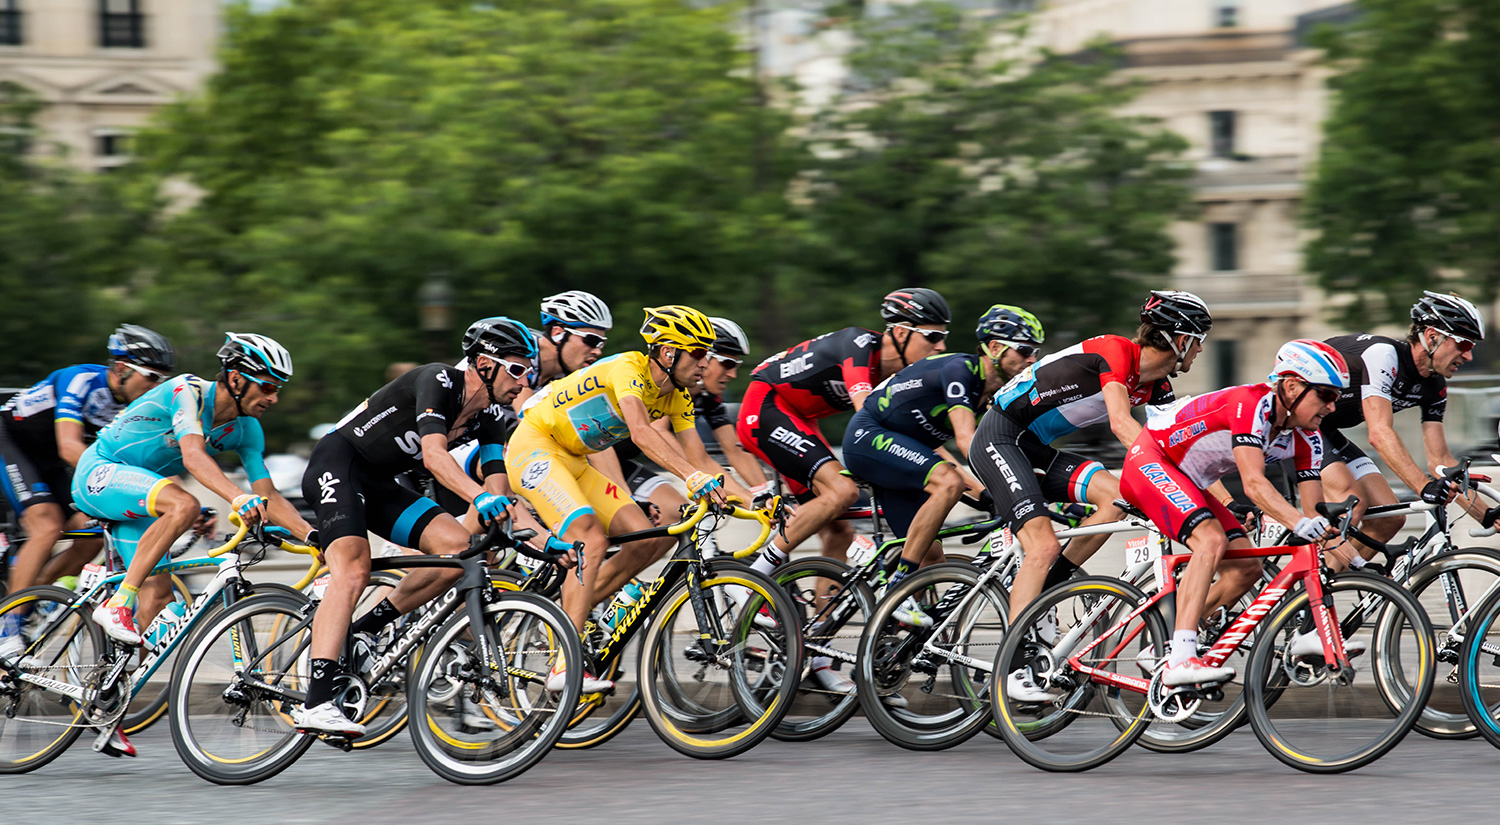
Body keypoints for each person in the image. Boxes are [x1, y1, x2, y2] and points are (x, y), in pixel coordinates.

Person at [293, 317, 541, 736]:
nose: (524, 381)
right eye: (516, 369)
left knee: (459, 549)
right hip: (338, 465)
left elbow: (500, 486)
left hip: (379, 484)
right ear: (484, 364)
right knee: (353, 569)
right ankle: (316, 703)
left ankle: (365, 630)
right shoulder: (439, 381)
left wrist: (543, 539)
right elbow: (434, 456)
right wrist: (480, 497)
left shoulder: (491, 416)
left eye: (529, 372)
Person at [66, 332, 311, 756]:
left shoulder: (247, 430)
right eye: (268, 386)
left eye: (278, 390)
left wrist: (313, 537)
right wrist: (237, 498)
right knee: (184, 504)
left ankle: (108, 703)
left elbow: (268, 493)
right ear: (237, 379)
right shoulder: (188, 392)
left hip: (143, 498)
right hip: (101, 472)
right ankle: (117, 602)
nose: (273, 398)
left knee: (160, 600)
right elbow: (194, 457)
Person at [969, 290, 1212, 701]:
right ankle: (1010, 668)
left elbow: (1179, 445)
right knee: (1043, 545)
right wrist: (1164, 479)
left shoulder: (1157, 386)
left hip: (1033, 448)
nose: (1201, 350)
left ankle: (1046, 588)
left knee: (1117, 498)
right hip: (1000, 437)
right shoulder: (1116, 351)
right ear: (1182, 339)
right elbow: (1121, 424)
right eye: (1199, 341)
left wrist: (1217, 496)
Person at [506, 306, 732, 691]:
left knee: (647, 537)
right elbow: (641, 433)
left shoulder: (677, 397)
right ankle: (564, 665)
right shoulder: (629, 368)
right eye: (698, 353)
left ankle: (569, 613)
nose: (705, 364)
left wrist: (754, 503)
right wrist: (693, 479)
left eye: (708, 355)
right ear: (667, 353)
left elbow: (700, 460)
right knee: (591, 539)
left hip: (574, 459)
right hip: (534, 447)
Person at [1118, 340, 1348, 687]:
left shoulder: (1307, 436)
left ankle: (1161, 647)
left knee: (1246, 570)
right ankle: (1180, 658)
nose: (1332, 406)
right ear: (1291, 387)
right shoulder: (1251, 404)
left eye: (1337, 397)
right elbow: (1254, 484)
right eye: (1326, 395)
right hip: (1151, 460)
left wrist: (1344, 550)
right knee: (1210, 541)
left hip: (1190, 480)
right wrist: (1299, 522)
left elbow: (1315, 512)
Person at [736, 289, 950, 578]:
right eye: (933, 337)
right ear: (901, 332)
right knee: (843, 491)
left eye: (943, 337)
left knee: (839, 532)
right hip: (765, 407)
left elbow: (920, 434)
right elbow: (869, 417)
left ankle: (823, 609)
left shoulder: (897, 376)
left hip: (802, 419)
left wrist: (966, 482)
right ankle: (753, 578)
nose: (941, 347)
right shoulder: (858, 346)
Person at [843, 304, 1043, 593]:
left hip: (904, 455)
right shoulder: (961, 370)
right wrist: (1009, 486)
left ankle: (902, 618)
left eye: (1036, 351)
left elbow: (1015, 446)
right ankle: (897, 587)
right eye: (1024, 350)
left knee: (931, 558)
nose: (1032, 359)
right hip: (867, 437)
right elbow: (967, 441)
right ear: (995, 347)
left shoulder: (995, 395)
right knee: (948, 482)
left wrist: (1043, 489)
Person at [0, 325, 175, 609]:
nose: (156, 387)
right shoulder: (80, 380)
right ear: (122, 368)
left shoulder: (132, 408)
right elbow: (69, 447)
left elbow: (142, 459)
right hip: (11, 441)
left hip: (51, 461)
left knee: (91, 534)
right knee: (47, 525)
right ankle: (9, 621)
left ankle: (39, 596)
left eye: (163, 380)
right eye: (152, 377)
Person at [1319, 291, 1486, 567]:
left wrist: (1486, 515)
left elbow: (1440, 461)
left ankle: (1332, 583)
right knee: (1352, 505)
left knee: (1390, 519)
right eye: (1464, 344)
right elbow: (1379, 433)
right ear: (1432, 337)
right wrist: (1424, 487)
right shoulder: (1384, 356)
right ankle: (1311, 588)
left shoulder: (1435, 385)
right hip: (1292, 427)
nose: (1468, 356)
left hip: (1326, 430)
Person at [598, 316, 764, 526]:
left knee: (678, 518)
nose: (732, 374)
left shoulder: (706, 398)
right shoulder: (666, 386)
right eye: (727, 364)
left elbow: (734, 450)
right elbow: (657, 432)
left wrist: (762, 494)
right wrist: (694, 475)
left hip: (622, 461)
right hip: (598, 456)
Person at [512, 290, 613, 410]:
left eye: (601, 343)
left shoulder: (570, 375)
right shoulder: (520, 352)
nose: (597, 352)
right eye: (591, 340)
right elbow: (526, 416)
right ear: (558, 334)